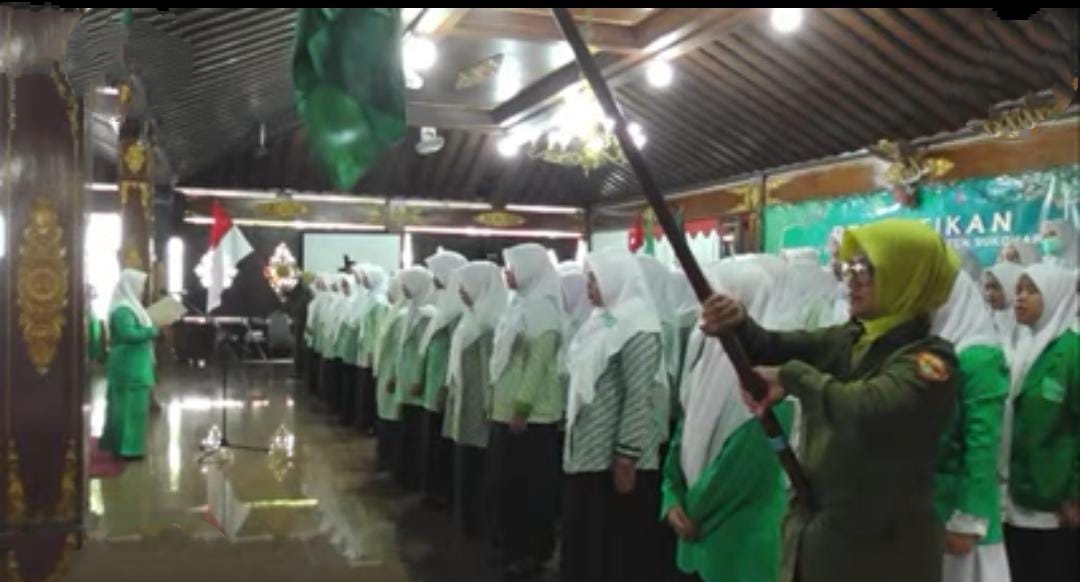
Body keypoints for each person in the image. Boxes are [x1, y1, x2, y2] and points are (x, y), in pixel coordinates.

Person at [699, 218, 962, 582]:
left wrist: (792, 377)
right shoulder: (851, 338)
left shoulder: (929, 361)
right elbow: (772, 347)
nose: (852, 280)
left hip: (883, 552)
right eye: (849, 268)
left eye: (866, 269)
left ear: (905, 275)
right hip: (825, 539)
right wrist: (740, 323)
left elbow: (867, 410)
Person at [663, 257, 792, 582]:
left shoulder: (776, 381)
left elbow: (747, 468)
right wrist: (671, 497)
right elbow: (683, 432)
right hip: (695, 539)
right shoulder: (703, 358)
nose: (706, 315)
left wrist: (689, 507)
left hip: (740, 546)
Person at [561, 247, 668, 582]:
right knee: (590, 533)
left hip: (615, 458)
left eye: (594, 280)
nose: (589, 288)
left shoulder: (639, 326)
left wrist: (626, 455)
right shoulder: (605, 320)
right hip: (591, 449)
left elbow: (640, 394)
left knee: (613, 538)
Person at [930, 268, 1011, 582]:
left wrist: (969, 521)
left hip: (961, 517)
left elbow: (982, 445)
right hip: (934, 507)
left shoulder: (979, 356)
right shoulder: (937, 350)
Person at [489, 243, 564, 579]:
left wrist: (521, 407)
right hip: (507, 411)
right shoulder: (517, 304)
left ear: (530, 270)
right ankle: (510, 546)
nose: (507, 274)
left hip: (533, 416)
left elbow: (538, 363)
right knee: (508, 484)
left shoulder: (544, 309)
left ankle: (532, 552)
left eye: (512, 268)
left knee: (530, 487)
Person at [1002, 263, 1078, 582]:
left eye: (1032, 291)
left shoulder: (1072, 352)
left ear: (1056, 295)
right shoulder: (1019, 346)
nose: (1020, 297)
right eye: (1018, 289)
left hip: (1054, 503)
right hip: (1014, 495)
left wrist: (1075, 493)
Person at [445, 261, 507, 539]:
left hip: (479, 406)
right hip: (465, 400)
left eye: (465, 286)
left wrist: (488, 406)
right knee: (466, 460)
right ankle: (465, 516)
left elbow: (489, 373)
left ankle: (477, 521)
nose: (460, 292)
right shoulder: (470, 319)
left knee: (478, 464)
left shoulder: (489, 324)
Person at [419, 250, 468, 507]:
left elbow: (455, 355)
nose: (434, 280)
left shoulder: (458, 310)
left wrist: (445, 386)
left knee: (441, 440)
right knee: (431, 438)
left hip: (443, 385)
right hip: (433, 379)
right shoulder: (443, 304)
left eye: (438, 275)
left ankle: (441, 492)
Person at [100, 269, 159, 460]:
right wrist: (151, 331)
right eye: (140, 286)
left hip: (134, 363)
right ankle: (127, 449)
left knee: (134, 408)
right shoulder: (123, 310)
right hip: (128, 365)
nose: (141, 290)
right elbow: (128, 335)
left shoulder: (131, 308)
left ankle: (129, 446)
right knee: (127, 408)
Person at [394, 266, 436, 490]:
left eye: (407, 284)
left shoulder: (428, 315)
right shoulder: (411, 309)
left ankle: (412, 475)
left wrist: (419, 378)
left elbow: (423, 350)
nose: (403, 288)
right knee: (407, 426)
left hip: (417, 381)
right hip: (406, 377)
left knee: (415, 429)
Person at [374, 273, 407, 473]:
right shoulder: (394, 312)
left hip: (394, 372)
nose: (388, 292)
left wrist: (394, 374)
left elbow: (400, 349)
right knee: (385, 413)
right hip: (386, 369)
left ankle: (391, 459)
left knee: (393, 416)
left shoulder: (403, 315)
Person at [354, 264, 389, 435]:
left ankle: (370, 424)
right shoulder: (369, 298)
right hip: (364, 348)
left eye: (366, 278)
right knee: (364, 387)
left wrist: (374, 351)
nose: (364, 281)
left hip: (371, 351)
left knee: (369, 389)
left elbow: (379, 330)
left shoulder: (379, 301)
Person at [334, 274, 366, 426]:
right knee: (346, 382)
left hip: (356, 351)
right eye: (343, 286)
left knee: (353, 385)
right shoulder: (350, 302)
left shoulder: (361, 302)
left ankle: (351, 416)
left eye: (347, 285)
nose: (344, 289)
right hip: (347, 350)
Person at [981, 262, 1024, 361]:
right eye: (987, 288)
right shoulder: (987, 319)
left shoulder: (1023, 319)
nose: (989, 293)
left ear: (1010, 286)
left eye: (995, 287)